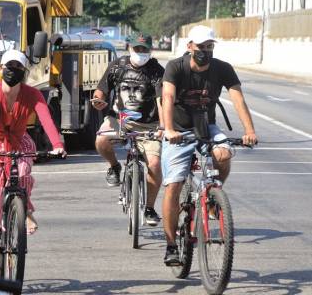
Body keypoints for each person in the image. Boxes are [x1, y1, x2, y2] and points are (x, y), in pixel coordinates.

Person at [160, 25, 258, 265]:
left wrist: (249, 131)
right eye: (200, 46)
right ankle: (171, 244)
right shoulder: (176, 67)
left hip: (206, 127)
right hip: (179, 130)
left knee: (224, 155)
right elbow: (168, 98)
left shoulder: (222, 68)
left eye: (209, 46)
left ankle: (213, 197)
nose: (205, 50)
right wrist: (170, 129)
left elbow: (238, 99)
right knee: (173, 185)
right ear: (189, 46)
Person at [0, 50, 66, 275]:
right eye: (8, 67)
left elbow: (46, 120)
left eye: (18, 68)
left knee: (22, 176)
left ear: (25, 72)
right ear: (0, 69)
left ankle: (23, 209)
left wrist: (57, 145)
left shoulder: (33, 94)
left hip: (21, 143)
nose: (12, 72)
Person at [92, 33, 164, 226]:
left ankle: (149, 207)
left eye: (144, 50)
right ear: (129, 48)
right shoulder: (117, 66)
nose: (141, 53)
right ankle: (114, 166)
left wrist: (163, 127)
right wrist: (98, 100)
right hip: (120, 119)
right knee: (101, 140)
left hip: (149, 124)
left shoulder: (156, 70)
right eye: (137, 49)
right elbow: (101, 89)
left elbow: (161, 100)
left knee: (155, 166)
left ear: (150, 51)